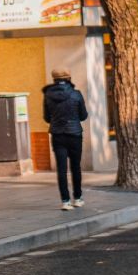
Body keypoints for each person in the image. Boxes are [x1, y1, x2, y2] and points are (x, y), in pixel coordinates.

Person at [42, 69, 89, 211]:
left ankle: (65, 201)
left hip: (57, 135)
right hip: (74, 134)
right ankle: (78, 198)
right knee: (76, 167)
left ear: (54, 79)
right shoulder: (76, 94)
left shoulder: (48, 96)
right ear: (68, 78)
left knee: (61, 170)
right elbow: (83, 116)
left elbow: (46, 118)